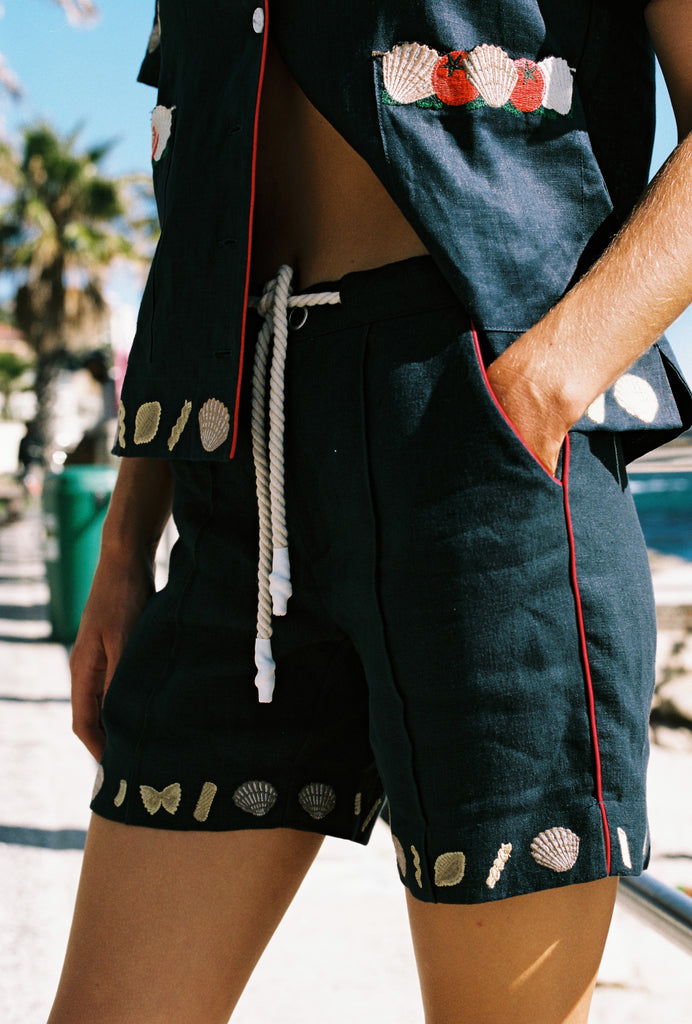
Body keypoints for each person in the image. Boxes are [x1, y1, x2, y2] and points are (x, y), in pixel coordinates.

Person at [48, 1, 692, 1022]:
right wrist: (128, 539)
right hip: (233, 456)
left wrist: (543, 384)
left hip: (482, 445)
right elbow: (203, 181)